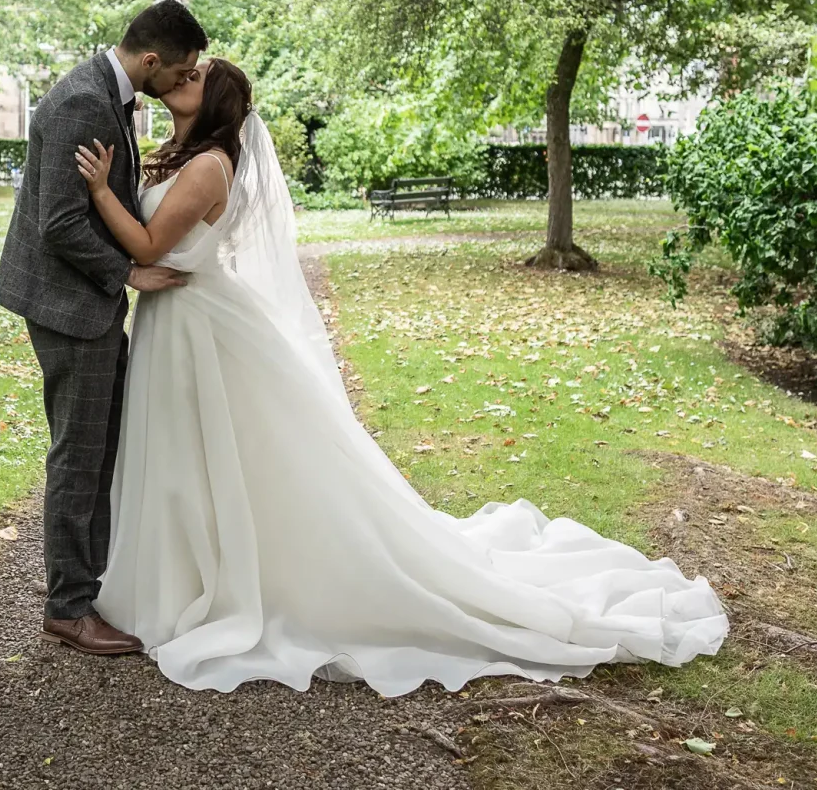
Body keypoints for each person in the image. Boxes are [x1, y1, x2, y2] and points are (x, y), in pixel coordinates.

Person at [71, 57, 729, 695]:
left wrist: (101, 191)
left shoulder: (211, 165)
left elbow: (152, 246)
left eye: (195, 78)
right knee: (187, 457)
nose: (181, 80)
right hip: (177, 318)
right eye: (182, 72)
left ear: (214, 104)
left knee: (217, 452)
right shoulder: (174, 153)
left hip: (197, 321)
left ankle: (229, 581)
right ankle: (182, 572)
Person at [0, 0, 206, 655]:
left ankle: (85, 581)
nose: (184, 81)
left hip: (79, 301)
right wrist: (126, 274)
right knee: (80, 455)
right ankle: (68, 608)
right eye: (182, 70)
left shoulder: (108, 94)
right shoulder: (84, 101)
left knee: (97, 447)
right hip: (69, 305)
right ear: (151, 60)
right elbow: (58, 221)